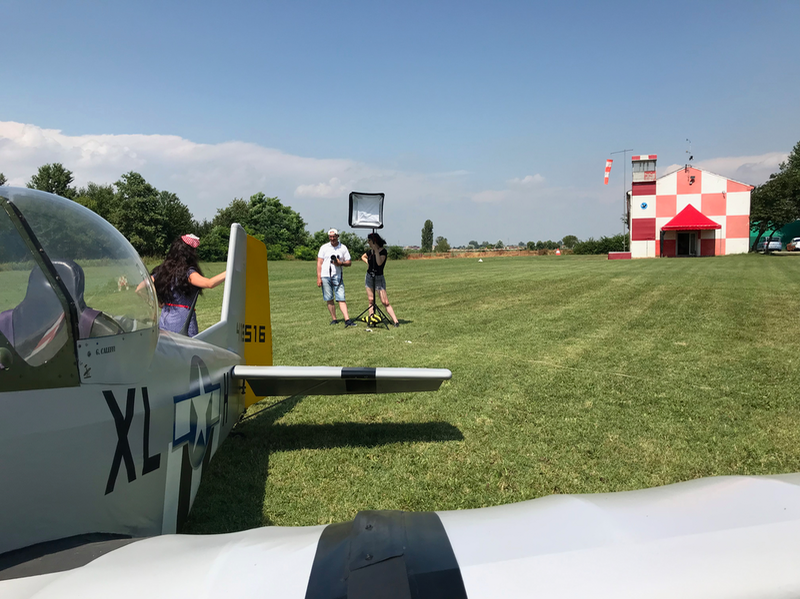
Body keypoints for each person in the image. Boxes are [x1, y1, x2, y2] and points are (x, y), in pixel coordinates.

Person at [150, 234, 226, 336]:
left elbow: (141, 288)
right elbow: (209, 283)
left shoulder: (162, 271)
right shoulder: (187, 273)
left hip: (165, 319)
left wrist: (158, 302)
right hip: (183, 320)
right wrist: (230, 271)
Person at [317, 228, 356, 327]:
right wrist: (319, 277)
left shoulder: (343, 247)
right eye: (330, 237)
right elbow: (319, 262)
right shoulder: (324, 247)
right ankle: (334, 319)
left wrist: (340, 263)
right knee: (329, 298)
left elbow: (349, 262)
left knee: (341, 298)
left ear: (337, 236)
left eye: (334, 236)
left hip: (337, 276)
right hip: (325, 275)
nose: (332, 239)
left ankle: (347, 319)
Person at [360, 232, 400, 327]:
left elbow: (379, 263)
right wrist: (368, 262)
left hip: (379, 278)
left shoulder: (383, 252)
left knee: (385, 301)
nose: (368, 242)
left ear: (374, 241)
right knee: (371, 300)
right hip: (369, 276)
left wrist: (376, 251)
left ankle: (395, 321)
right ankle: (371, 319)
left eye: (369, 240)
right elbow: (363, 256)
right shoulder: (369, 252)